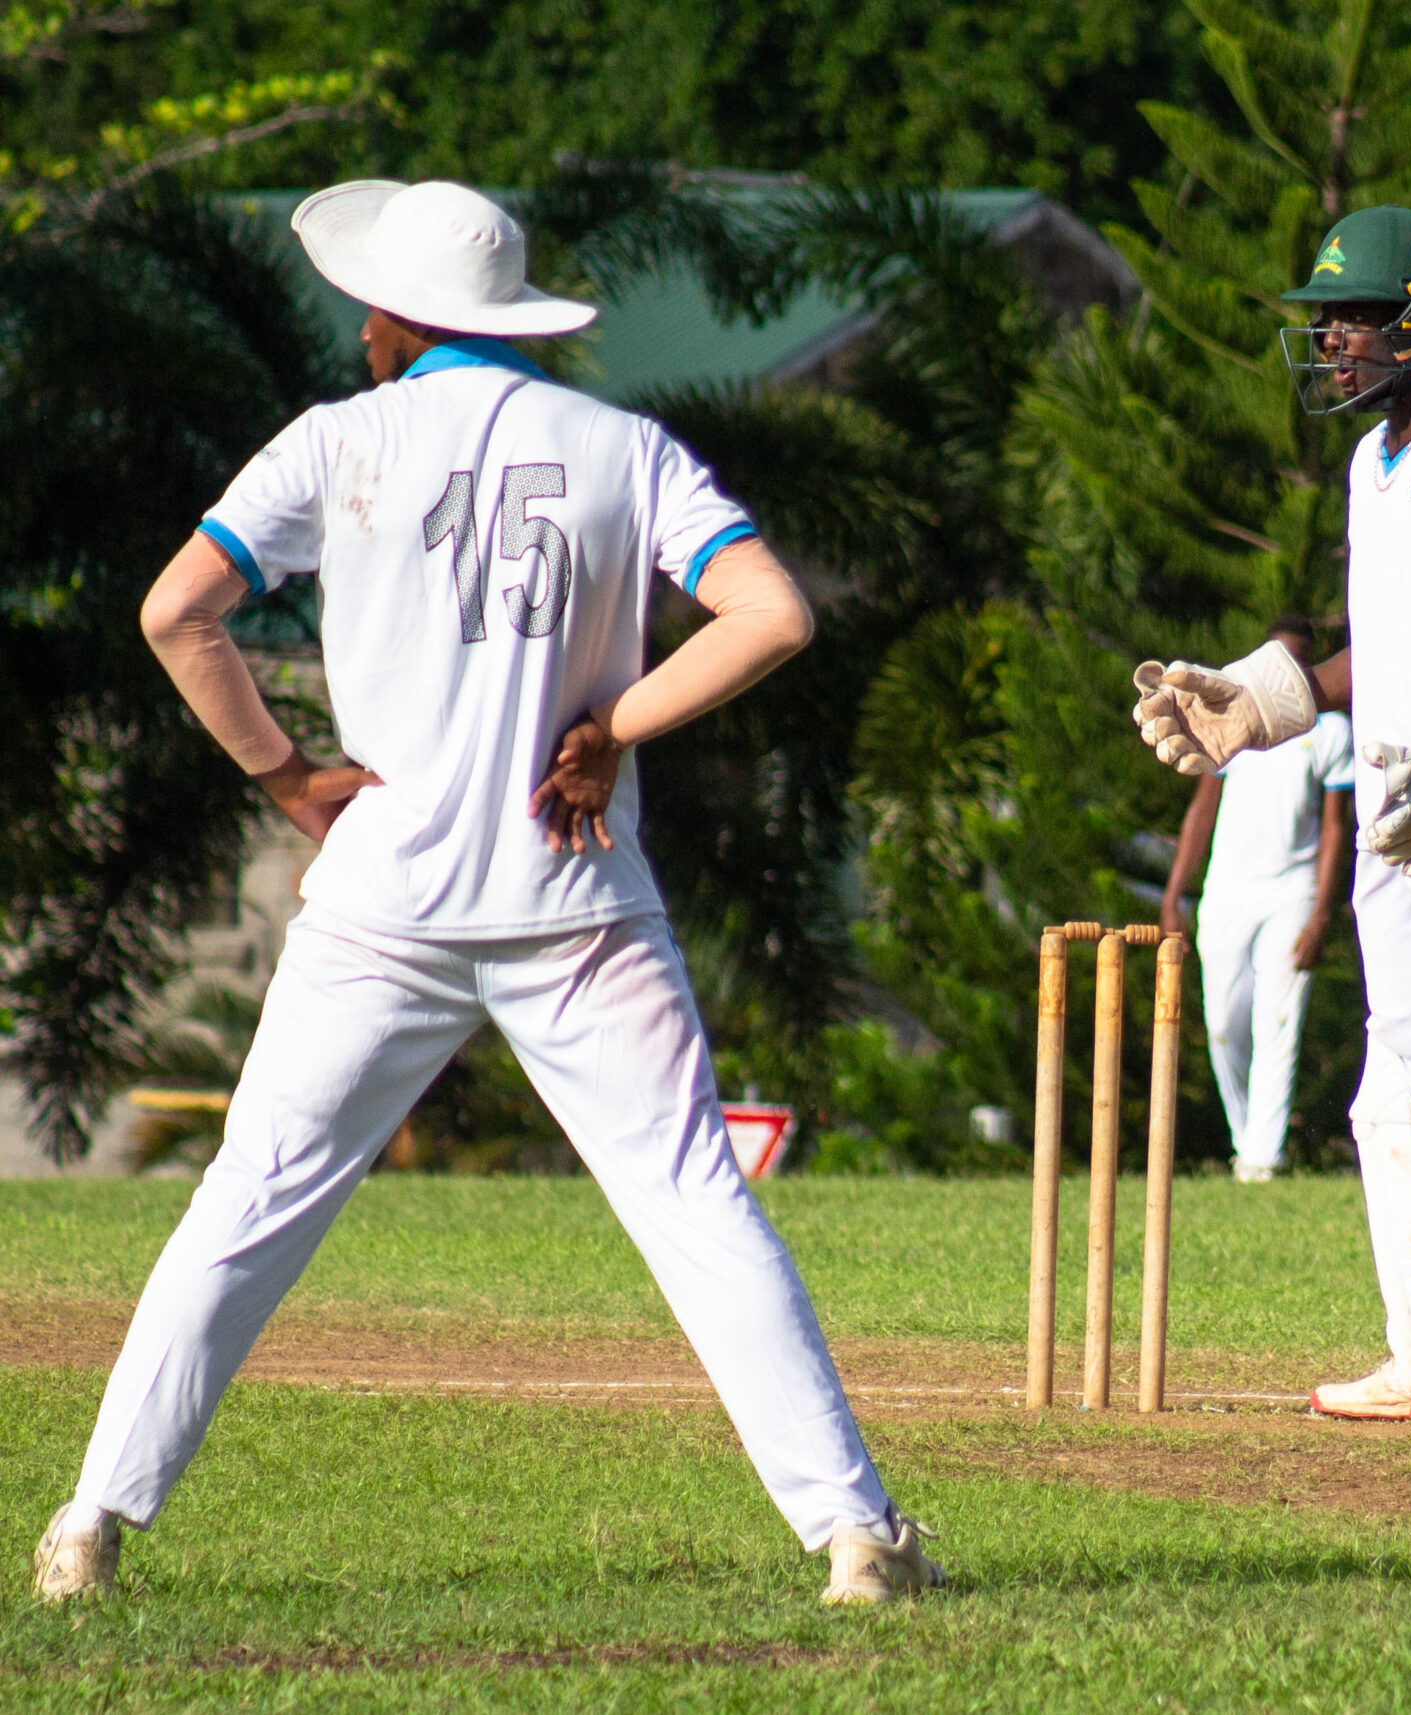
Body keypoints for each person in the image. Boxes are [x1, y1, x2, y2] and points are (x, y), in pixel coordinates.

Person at [31, 181, 941, 1604]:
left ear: (401, 315)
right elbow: (774, 612)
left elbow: (174, 613)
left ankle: (90, 1521)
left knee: (250, 1199)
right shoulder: (622, 444)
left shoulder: (337, 441)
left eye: (370, 308)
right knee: (699, 1200)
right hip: (575, 897)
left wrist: (285, 776)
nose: (361, 328)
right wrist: (618, 725)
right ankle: (854, 1534)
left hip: (383, 899)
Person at [1130, 207, 1411, 1430]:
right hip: (1395, 808)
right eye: (1324, 320)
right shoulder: (1371, 457)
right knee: (1394, 1082)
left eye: (1352, 318)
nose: (1330, 340)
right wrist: (1260, 703)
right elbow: (1379, 656)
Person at [1158, 617, 1354, 1182]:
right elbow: (1202, 810)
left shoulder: (1331, 731)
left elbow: (1335, 829)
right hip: (1227, 890)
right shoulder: (1237, 717)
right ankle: (1247, 1140)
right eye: (1275, 658)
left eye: (1296, 659)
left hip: (1292, 890)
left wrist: (1320, 913)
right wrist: (1176, 893)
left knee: (1278, 1016)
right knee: (1223, 1021)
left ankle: (1262, 1160)